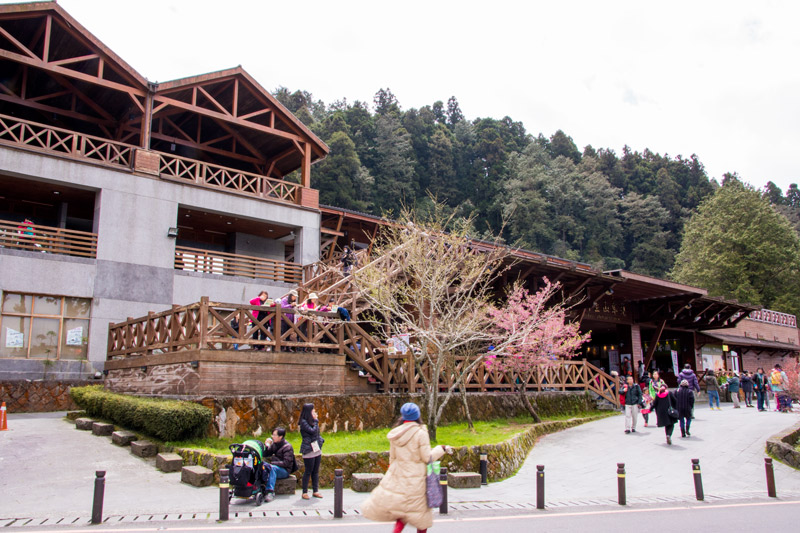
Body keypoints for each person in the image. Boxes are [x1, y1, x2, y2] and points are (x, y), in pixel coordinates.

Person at [362, 403, 453, 533]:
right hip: (417, 479)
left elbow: (392, 459)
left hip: (400, 477)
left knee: (403, 512)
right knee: (420, 515)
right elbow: (427, 457)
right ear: (417, 416)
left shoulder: (396, 434)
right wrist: (441, 449)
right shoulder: (421, 433)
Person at [262, 427, 297, 502]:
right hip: (275, 467)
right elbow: (265, 454)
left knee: (272, 468)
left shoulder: (287, 447)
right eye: (272, 435)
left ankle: (269, 492)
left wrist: (272, 464)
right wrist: (267, 446)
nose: (272, 437)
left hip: (284, 470)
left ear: (280, 437)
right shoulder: (275, 444)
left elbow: (286, 463)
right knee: (261, 465)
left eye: (274, 435)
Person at [299, 403, 324, 499]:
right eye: (313, 411)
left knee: (315, 471)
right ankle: (304, 492)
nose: (315, 412)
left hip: (316, 447)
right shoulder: (304, 422)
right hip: (309, 449)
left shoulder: (313, 421)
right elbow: (312, 431)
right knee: (308, 471)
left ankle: (315, 490)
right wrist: (316, 421)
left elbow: (317, 433)